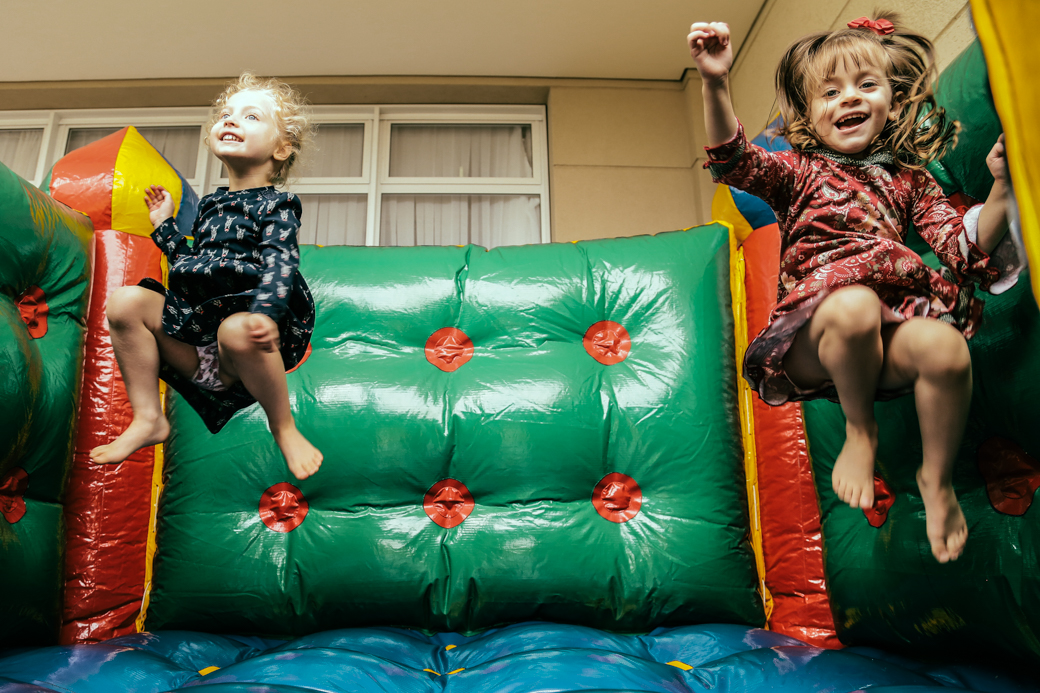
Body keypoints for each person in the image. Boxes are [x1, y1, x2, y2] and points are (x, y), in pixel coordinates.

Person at [688, 13, 1017, 562]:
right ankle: (859, 432)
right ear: (809, 115)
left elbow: (963, 248)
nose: (849, 100)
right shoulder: (797, 174)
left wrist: (1003, 187)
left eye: (866, 85)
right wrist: (715, 82)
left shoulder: (910, 180)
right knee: (855, 304)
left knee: (944, 347)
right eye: (830, 92)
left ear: (891, 97)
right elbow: (734, 160)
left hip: (881, 343)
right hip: (817, 345)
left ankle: (936, 481)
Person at [89, 73, 323, 481]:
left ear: (282, 148)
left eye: (251, 117)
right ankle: (148, 418)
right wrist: (163, 227)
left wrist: (265, 314)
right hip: (199, 350)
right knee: (125, 301)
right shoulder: (213, 203)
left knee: (236, 329)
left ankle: (283, 428)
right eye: (226, 114)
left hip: (248, 348)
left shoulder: (276, 203)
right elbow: (191, 264)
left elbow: (281, 260)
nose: (231, 120)